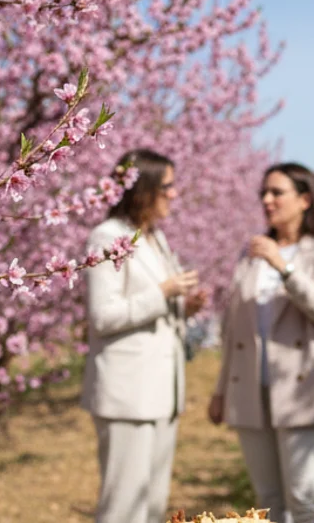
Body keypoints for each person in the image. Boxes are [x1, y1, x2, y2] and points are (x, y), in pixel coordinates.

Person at [208, 162, 314, 523]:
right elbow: (234, 330)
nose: (267, 200)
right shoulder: (251, 252)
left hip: (303, 389)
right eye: (264, 193)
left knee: (306, 498)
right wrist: (221, 389)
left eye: (277, 192)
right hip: (250, 389)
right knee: (268, 500)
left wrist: (284, 267)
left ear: (305, 199)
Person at [80, 149, 207, 523]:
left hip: (162, 394)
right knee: (123, 508)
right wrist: (164, 292)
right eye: (166, 186)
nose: (174, 194)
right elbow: (102, 316)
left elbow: (151, 307)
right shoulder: (106, 236)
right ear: (142, 189)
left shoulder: (154, 237)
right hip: (128, 396)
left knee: (152, 506)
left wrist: (185, 307)